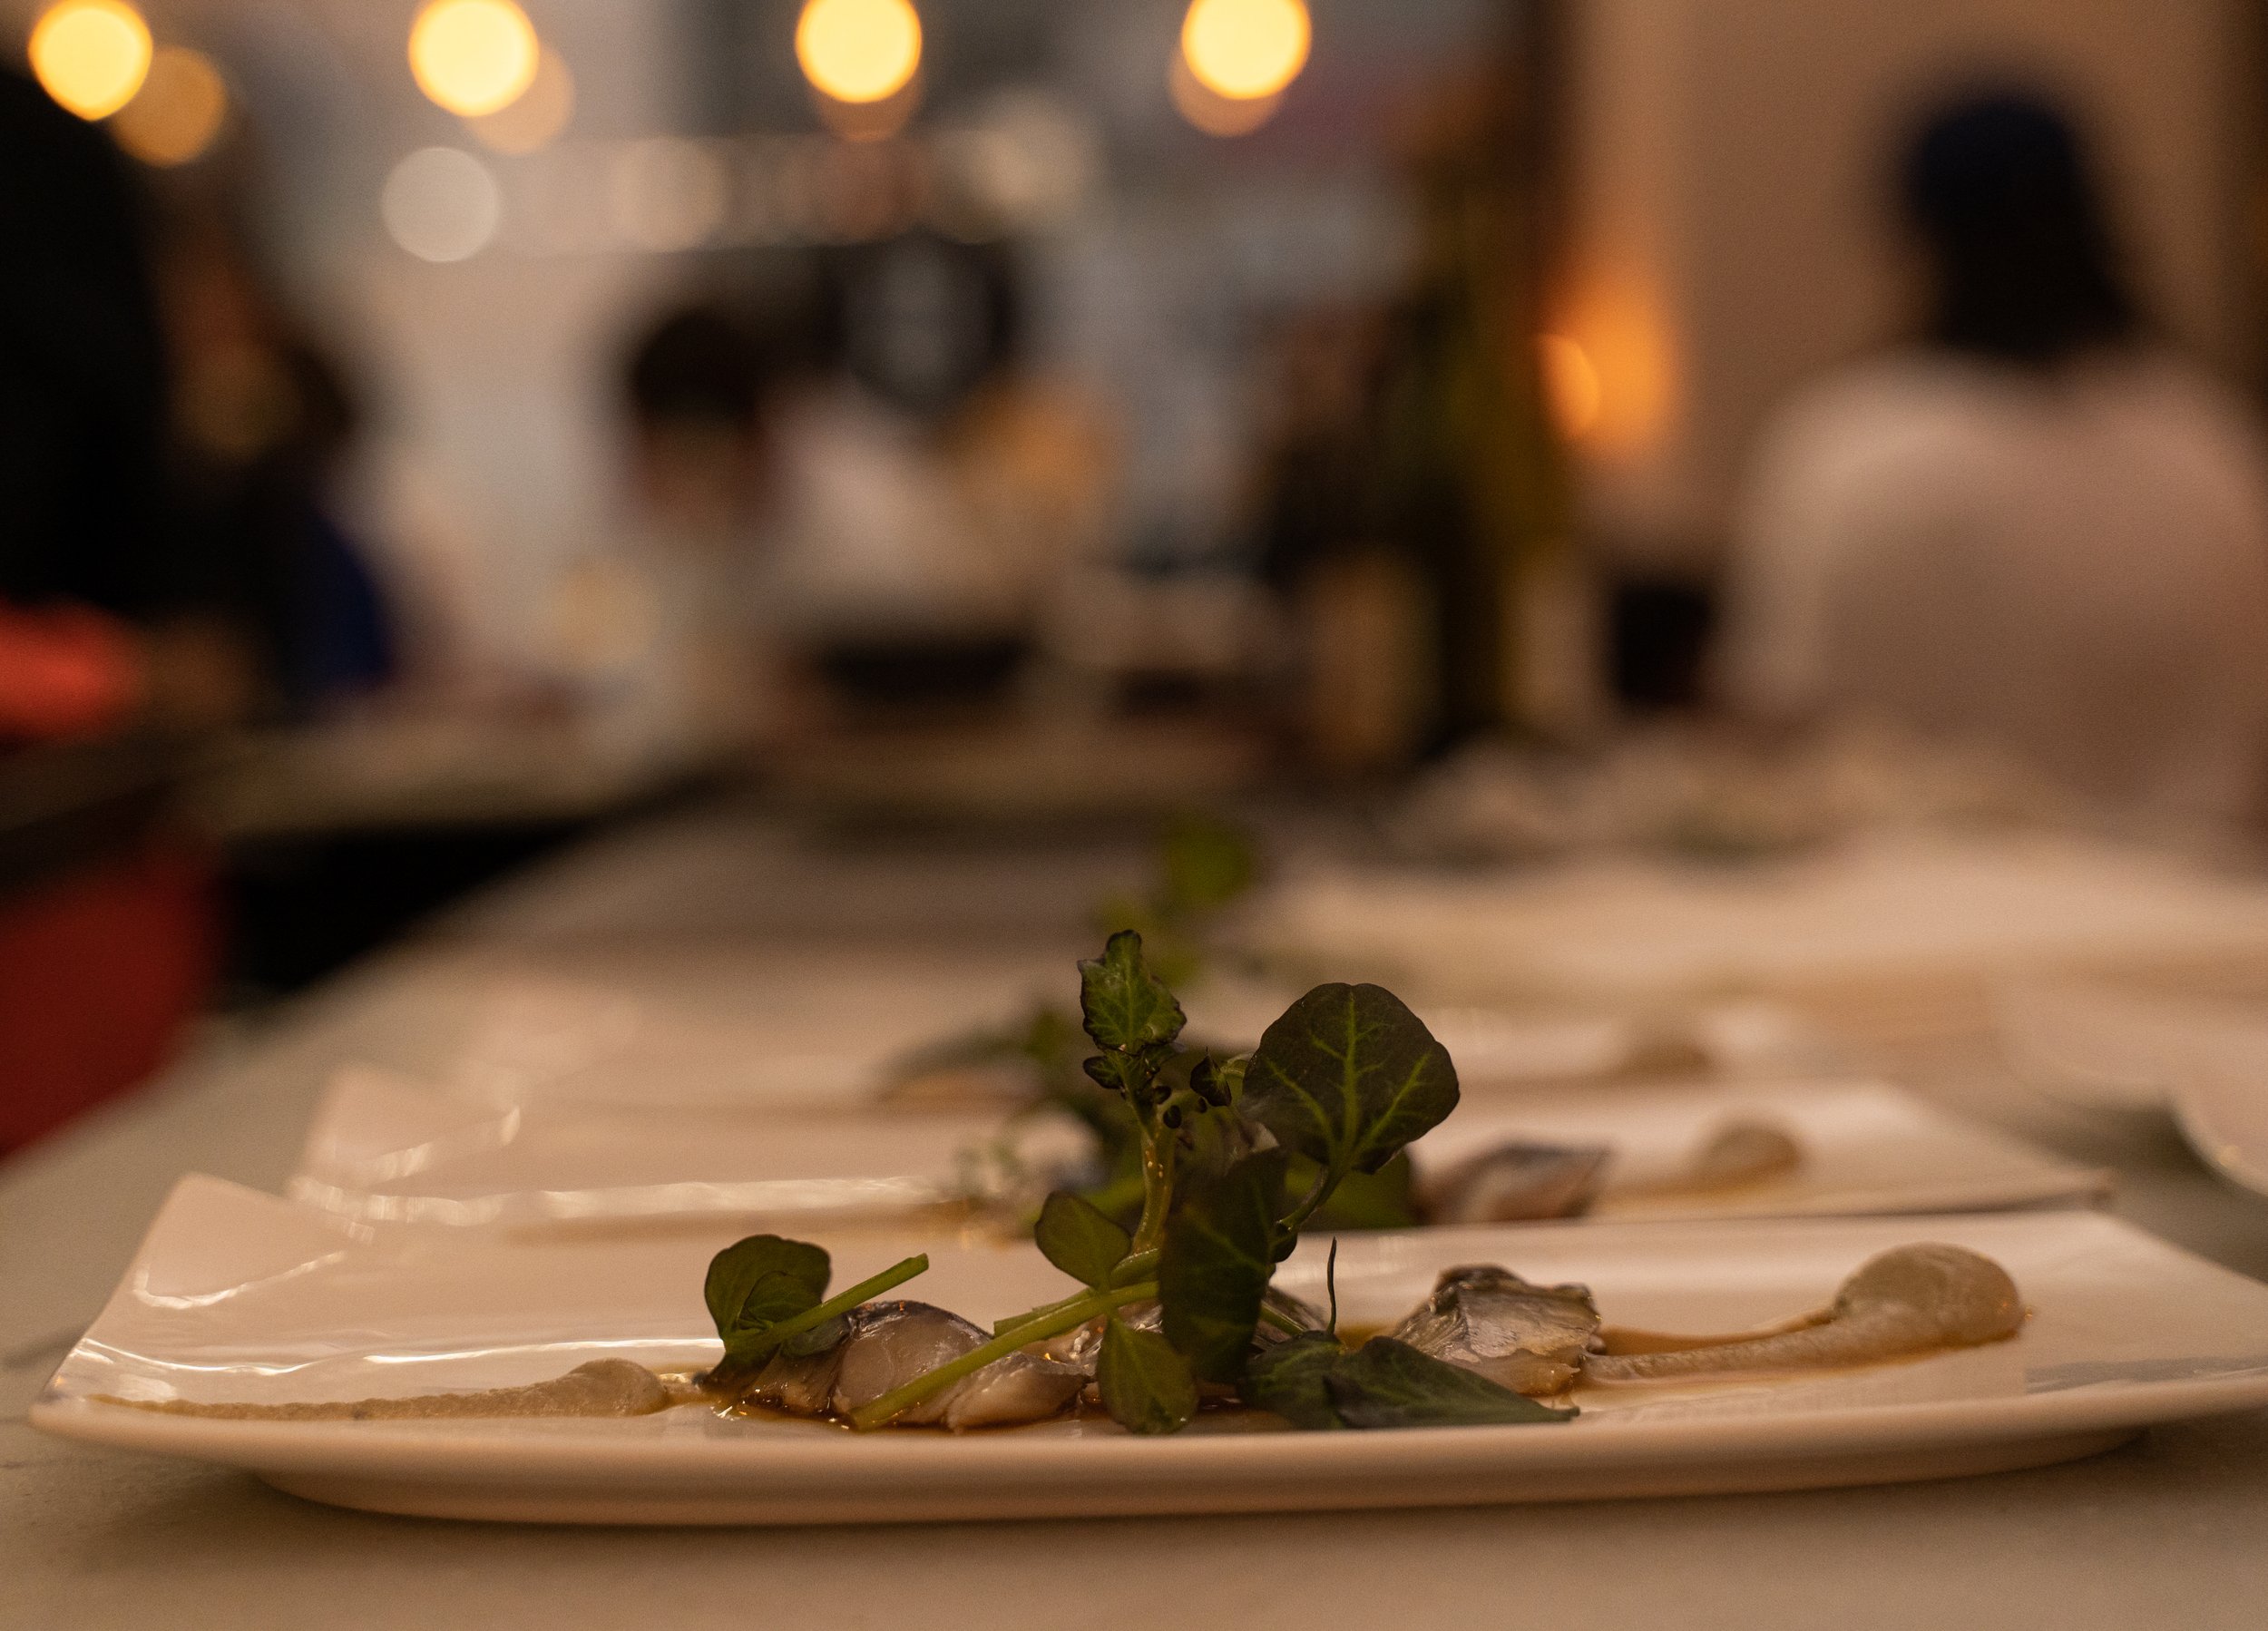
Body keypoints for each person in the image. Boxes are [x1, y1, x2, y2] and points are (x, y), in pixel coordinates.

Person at [1716, 91, 2268, 827]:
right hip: (2197, 918)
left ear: (1916, 240)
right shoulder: (2211, 447)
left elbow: (1774, 723)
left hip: (1915, 921)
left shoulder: (1848, 451)